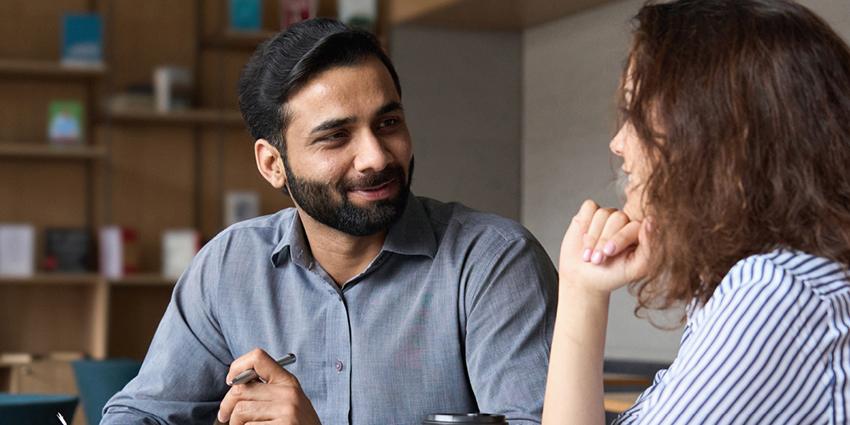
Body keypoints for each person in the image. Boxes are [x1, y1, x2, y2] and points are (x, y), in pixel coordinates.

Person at [102, 18, 558, 425]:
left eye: (389, 123)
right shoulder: (229, 265)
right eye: (335, 136)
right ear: (272, 164)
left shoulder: (494, 260)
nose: (376, 156)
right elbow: (143, 411)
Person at [542, 0, 850, 423]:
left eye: (635, 114)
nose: (618, 143)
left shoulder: (775, 290)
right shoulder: (767, 284)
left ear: (710, 129)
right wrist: (581, 290)